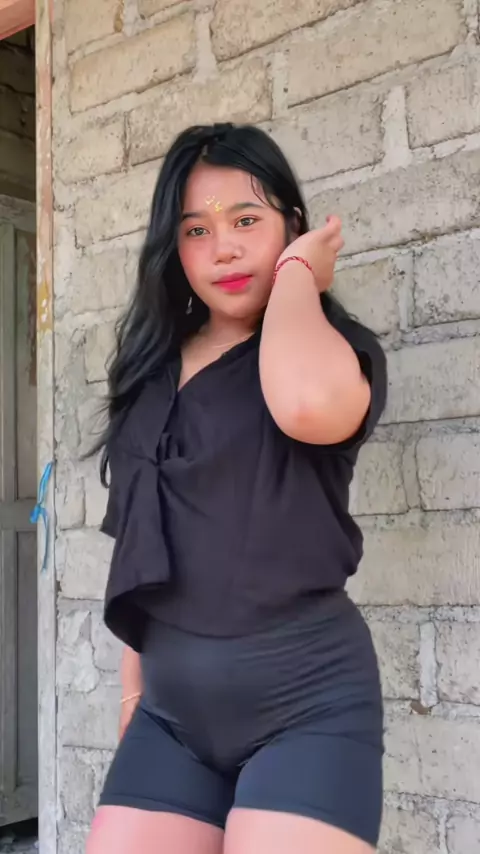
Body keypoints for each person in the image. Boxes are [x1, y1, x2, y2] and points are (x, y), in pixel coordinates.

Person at [85, 122, 387, 854]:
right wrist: (134, 690)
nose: (222, 248)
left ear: (291, 223)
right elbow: (141, 543)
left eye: (247, 221)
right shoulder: (150, 373)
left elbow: (306, 406)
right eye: (196, 230)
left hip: (307, 707)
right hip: (170, 720)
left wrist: (297, 275)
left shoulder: (331, 350)